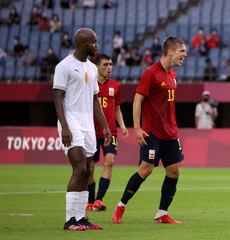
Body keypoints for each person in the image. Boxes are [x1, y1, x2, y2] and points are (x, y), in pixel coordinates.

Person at [112, 36, 187, 225]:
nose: (185, 55)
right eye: (182, 51)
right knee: (145, 171)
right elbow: (138, 100)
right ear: (170, 51)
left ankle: (161, 213)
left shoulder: (172, 75)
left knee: (174, 172)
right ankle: (121, 205)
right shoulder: (151, 73)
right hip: (152, 133)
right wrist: (137, 128)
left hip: (171, 133)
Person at [53, 28, 111, 231]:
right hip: (71, 123)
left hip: (88, 125)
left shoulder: (92, 68)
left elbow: (95, 99)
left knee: (88, 172)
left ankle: (81, 218)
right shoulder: (64, 66)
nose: (96, 45)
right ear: (82, 43)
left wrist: (104, 126)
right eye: (93, 42)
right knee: (79, 169)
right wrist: (65, 126)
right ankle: (70, 220)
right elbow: (58, 97)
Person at [86, 54, 128, 211]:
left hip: (110, 133)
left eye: (111, 64)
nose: (109, 67)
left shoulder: (116, 86)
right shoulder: (89, 85)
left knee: (109, 162)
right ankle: (90, 201)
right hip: (91, 133)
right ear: (96, 66)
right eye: (105, 64)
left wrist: (122, 125)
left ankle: (99, 200)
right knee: (89, 168)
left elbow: (117, 109)